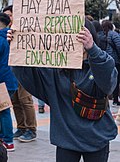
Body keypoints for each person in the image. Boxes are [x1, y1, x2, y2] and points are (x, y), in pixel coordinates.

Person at [7, 18, 118, 162]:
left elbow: (108, 83)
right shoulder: (55, 71)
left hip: (98, 138)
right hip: (66, 140)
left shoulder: (99, 61)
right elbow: (27, 76)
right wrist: (17, 48)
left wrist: (92, 49)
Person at [3, 5, 37, 143]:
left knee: (25, 99)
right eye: (5, 15)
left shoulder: (22, 31)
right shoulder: (6, 32)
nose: (7, 18)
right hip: (11, 70)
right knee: (15, 101)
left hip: (23, 68)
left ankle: (31, 129)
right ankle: (21, 126)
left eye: (9, 15)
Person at [0, 13, 18, 152]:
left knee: (4, 111)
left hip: (2, 81)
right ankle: (6, 139)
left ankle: (7, 141)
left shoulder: (1, 39)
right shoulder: (13, 37)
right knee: (4, 110)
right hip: (11, 79)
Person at [102, 20, 120, 106]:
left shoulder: (102, 35)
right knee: (116, 79)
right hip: (115, 60)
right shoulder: (113, 34)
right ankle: (115, 99)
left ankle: (110, 98)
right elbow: (119, 46)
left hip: (106, 60)